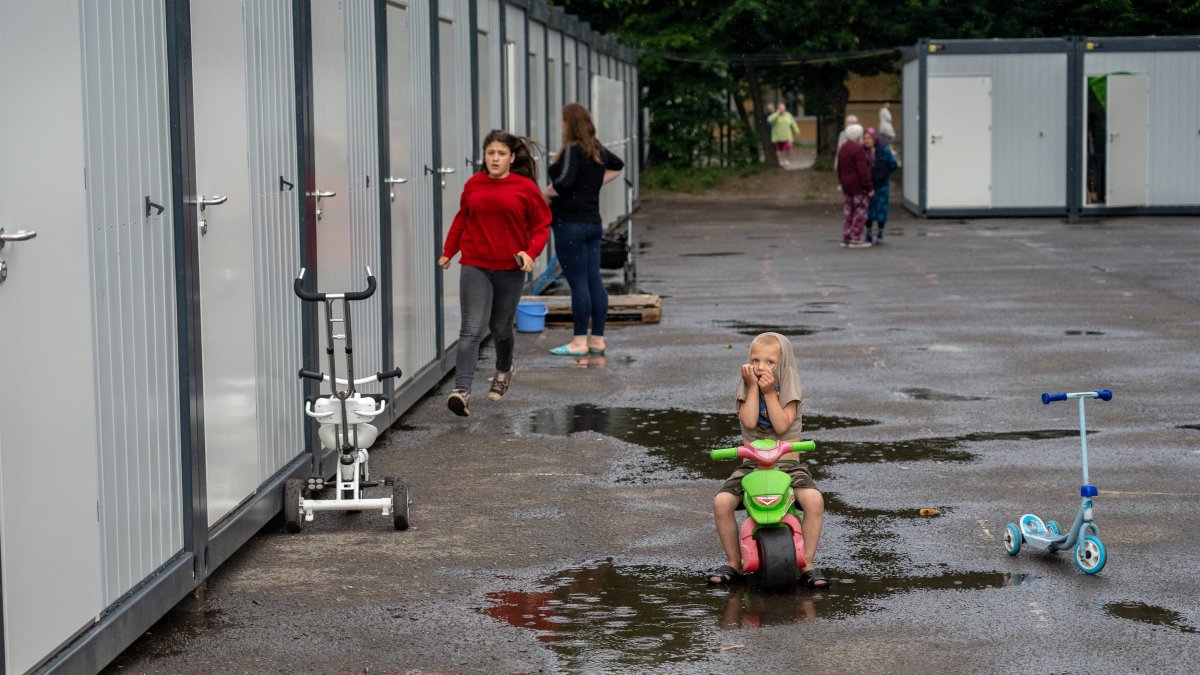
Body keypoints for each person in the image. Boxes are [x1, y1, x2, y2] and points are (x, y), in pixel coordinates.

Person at [439, 130, 551, 416]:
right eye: (491, 153)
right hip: (475, 263)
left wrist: (531, 252)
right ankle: (461, 391)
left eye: (501, 154)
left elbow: (541, 224)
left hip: (510, 268)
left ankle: (504, 370)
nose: (495, 158)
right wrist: (449, 251)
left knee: (501, 328)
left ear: (512, 158)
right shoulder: (474, 185)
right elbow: (462, 218)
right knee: (471, 329)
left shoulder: (524, 188)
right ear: (485, 156)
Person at [707, 332, 829, 589]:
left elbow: (782, 425)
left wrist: (770, 392)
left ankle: (806, 563)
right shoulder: (746, 385)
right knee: (722, 502)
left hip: (787, 464)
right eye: (756, 360)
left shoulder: (790, 387)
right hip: (752, 465)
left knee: (814, 500)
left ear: (783, 364)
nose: (761, 367)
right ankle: (734, 562)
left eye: (770, 362)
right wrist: (753, 387)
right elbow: (750, 421)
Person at [543, 102, 624, 357]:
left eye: (563, 121)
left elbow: (564, 182)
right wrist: (592, 184)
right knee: (593, 281)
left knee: (577, 282)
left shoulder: (571, 150)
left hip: (570, 226)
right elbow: (618, 165)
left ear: (569, 123)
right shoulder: (595, 149)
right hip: (592, 224)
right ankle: (597, 339)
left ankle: (579, 341)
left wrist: (544, 194)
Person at [836, 123, 873, 248]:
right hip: (858, 186)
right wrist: (869, 187)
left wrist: (841, 181)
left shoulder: (843, 148)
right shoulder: (858, 149)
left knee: (849, 211)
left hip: (846, 185)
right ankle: (856, 238)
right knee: (860, 211)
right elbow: (863, 171)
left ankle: (846, 236)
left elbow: (839, 168)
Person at [865, 128, 898, 245]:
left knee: (881, 209)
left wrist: (885, 173)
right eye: (865, 138)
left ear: (874, 138)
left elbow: (893, 164)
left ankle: (880, 234)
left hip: (882, 184)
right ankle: (868, 234)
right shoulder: (863, 151)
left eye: (869, 138)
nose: (867, 141)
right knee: (868, 210)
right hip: (868, 185)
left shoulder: (883, 149)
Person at [767, 102, 800, 166]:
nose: (782, 109)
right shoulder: (775, 115)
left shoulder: (788, 115)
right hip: (778, 136)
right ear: (778, 109)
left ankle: (785, 159)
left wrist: (796, 130)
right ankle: (781, 161)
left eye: (783, 108)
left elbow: (793, 123)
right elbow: (769, 120)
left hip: (787, 136)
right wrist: (777, 114)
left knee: (788, 147)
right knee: (779, 150)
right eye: (780, 108)